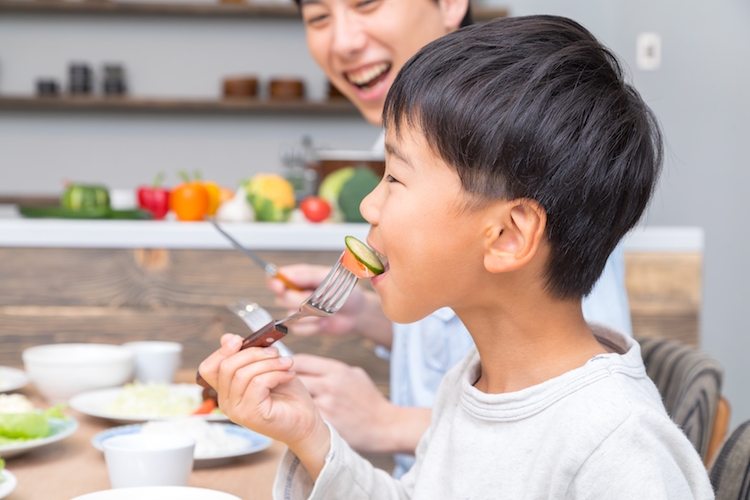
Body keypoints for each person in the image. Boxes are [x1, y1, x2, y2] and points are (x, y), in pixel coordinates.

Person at [200, 15, 714, 498]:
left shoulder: (620, 447)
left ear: (507, 236)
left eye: (396, 178)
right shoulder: (470, 382)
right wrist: (311, 434)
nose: (368, 203)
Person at [270, 0, 633, 478]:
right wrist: (368, 317)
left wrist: (385, 422)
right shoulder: (467, 384)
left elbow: (561, 392)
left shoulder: (540, 163)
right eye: (319, 17)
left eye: (366, 3)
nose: (343, 41)